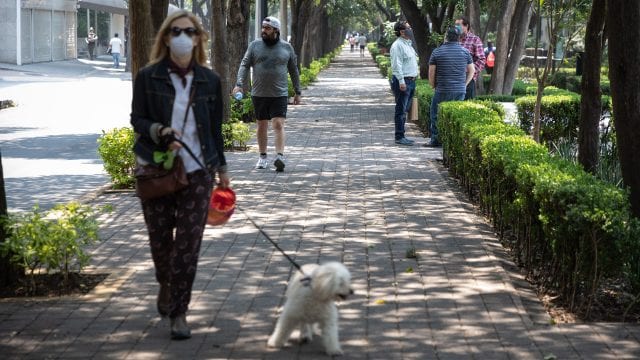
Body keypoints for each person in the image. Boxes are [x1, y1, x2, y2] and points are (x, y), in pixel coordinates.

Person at [130, 9, 230, 340]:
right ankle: (166, 284)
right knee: (160, 242)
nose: (182, 37)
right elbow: (137, 119)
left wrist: (223, 171)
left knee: (188, 245)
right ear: (165, 38)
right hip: (156, 168)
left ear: (199, 38)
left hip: (199, 170)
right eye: (175, 31)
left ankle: (179, 312)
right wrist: (159, 130)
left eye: (189, 31)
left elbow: (215, 130)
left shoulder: (210, 80)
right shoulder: (148, 76)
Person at [232, 16, 302, 172]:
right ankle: (262, 157)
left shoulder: (286, 48)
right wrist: (238, 84)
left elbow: (294, 70)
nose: (263, 30)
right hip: (259, 93)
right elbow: (244, 65)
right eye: (263, 27)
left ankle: (279, 156)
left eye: (267, 28)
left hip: (280, 93)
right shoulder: (254, 46)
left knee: (278, 124)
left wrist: (298, 91)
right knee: (261, 125)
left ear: (276, 30)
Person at [425, 26, 474, 147]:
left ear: (446, 37)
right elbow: (472, 71)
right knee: (455, 115)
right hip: (459, 91)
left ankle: (436, 140)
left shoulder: (437, 52)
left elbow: (431, 73)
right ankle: (454, 142)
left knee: (436, 114)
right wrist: (464, 84)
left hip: (442, 89)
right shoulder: (465, 52)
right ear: (459, 38)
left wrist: (433, 86)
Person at [389, 21, 419, 146]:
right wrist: (401, 81)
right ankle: (399, 136)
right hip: (403, 81)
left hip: (411, 81)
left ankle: (402, 135)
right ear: (402, 31)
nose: (410, 29)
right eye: (408, 28)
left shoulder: (409, 44)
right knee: (401, 110)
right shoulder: (397, 46)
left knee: (405, 109)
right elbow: (397, 65)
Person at [454, 16, 485, 99]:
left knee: (467, 104)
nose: (456, 27)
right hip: (453, 78)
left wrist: (469, 71)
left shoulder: (475, 39)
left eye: (458, 25)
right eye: (455, 25)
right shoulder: (453, 39)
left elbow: (481, 60)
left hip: (468, 79)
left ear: (466, 26)